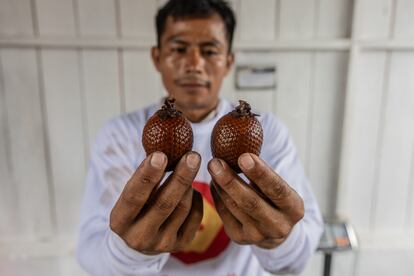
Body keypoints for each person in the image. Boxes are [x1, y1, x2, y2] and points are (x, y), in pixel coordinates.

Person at [76, 0, 323, 275]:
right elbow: (91, 249)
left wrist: (280, 241)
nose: (194, 64)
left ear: (229, 61)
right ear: (157, 57)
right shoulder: (120, 135)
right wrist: (129, 253)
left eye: (209, 51)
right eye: (179, 49)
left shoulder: (269, 132)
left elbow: (298, 257)